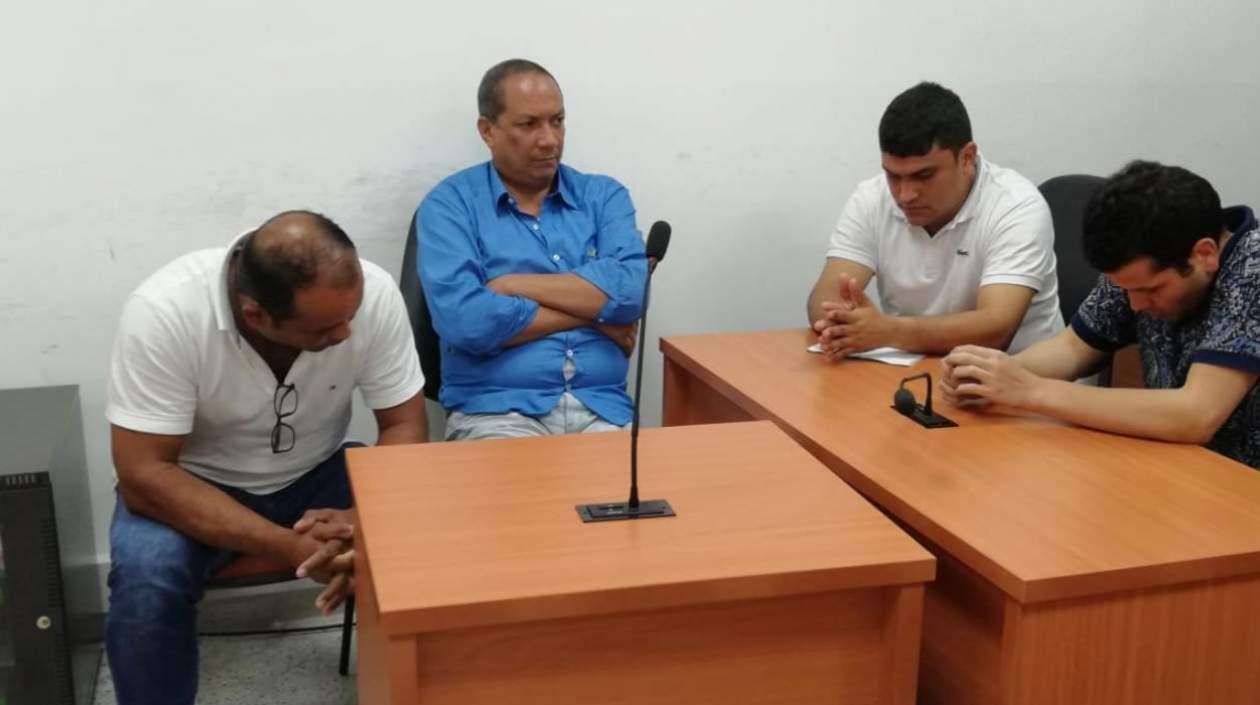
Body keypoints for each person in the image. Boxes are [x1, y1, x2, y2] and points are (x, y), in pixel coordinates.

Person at [105, 211, 427, 705]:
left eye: (352, 315)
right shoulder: (165, 311)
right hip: (195, 484)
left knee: (427, 530)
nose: (346, 333)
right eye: (326, 327)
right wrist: (291, 548)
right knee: (148, 579)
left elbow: (404, 423)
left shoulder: (375, 294)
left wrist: (363, 517)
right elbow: (143, 473)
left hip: (320, 472)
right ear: (256, 315)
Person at [941, 161, 1260, 470]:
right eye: (1126, 290)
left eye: (1151, 289)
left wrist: (1030, 391)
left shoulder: (1253, 268)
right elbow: (1072, 348)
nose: (1135, 305)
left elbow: (1195, 414)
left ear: (1204, 254)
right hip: (1180, 465)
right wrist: (990, 376)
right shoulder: (1138, 265)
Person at [416, 59, 647, 440]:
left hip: (602, 408)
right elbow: (467, 322)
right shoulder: (451, 206)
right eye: (529, 124)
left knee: (653, 478)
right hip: (498, 411)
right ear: (487, 130)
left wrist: (510, 285)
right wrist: (594, 316)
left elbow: (630, 292)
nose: (549, 139)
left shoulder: (603, 197)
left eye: (557, 121)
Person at [807, 81, 1062, 358]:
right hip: (911, 367)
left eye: (924, 175)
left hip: (1019, 373)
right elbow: (826, 297)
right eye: (893, 175)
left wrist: (886, 331)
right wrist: (842, 321)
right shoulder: (871, 198)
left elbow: (996, 329)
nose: (905, 195)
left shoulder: (1017, 206)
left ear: (967, 158)